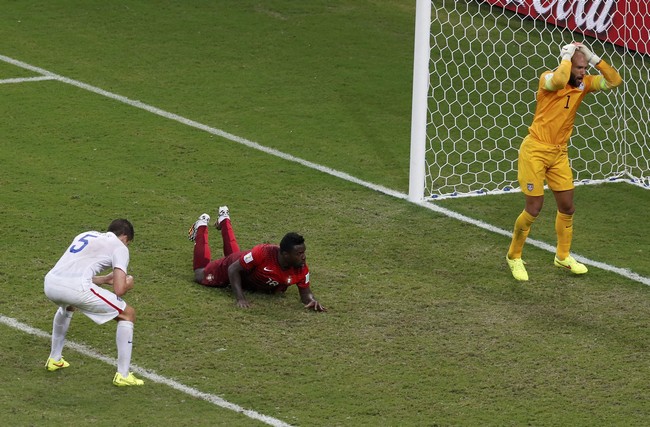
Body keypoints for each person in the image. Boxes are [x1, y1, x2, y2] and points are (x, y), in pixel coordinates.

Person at [506, 42, 623, 281]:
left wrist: (594, 59)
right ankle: (514, 256)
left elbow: (614, 81)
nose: (583, 72)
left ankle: (562, 256)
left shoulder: (584, 85)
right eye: (579, 67)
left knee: (568, 207)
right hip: (535, 151)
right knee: (534, 208)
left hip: (559, 153)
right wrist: (566, 58)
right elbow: (559, 81)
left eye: (584, 67)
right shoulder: (548, 79)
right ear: (567, 65)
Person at [43, 219, 144, 386]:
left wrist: (103, 279)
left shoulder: (86, 235)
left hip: (51, 283)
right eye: (128, 242)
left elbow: (73, 271)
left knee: (68, 305)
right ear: (125, 236)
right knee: (127, 314)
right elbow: (119, 289)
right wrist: (129, 283)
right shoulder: (120, 248)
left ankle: (55, 358)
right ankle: (123, 375)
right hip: (74, 288)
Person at [188, 206, 326, 311]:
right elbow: (232, 268)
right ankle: (201, 226)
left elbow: (306, 293)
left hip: (246, 270)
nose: (303, 257)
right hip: (235, 265)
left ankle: (224, 220)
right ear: (285, 254)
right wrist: (240, 298)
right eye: (299, 253)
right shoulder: (263, 253)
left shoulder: (301, 268)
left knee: (238, 261)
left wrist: (312, 300)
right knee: (200, 274)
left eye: (303, 252)